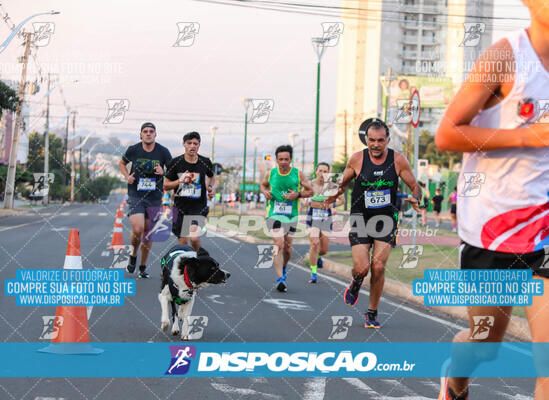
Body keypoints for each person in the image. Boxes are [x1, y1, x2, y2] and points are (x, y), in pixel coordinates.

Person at [435, 2, 549, 397]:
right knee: (485, 346)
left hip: (545, 231)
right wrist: (529, 135)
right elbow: (447, 134)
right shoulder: (506, 56)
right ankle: (457, 378)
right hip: (493, 228)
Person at [325, 118, 420, 328]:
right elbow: (343, 183)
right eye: (371, 140)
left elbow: (415, 186)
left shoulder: (398, 160)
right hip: (360, 217)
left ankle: (372, 311)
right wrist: (334, 194)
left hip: (386, 220)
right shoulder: (357, 159)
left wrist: (416, 198)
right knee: (362, 268)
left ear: (387, 140)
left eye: (380, 140)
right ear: (366, 139)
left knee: (378, 266)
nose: (376, 145)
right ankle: (356, 282)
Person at [118, 122, 172, 278]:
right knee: (138, 228)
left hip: (154, 197)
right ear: (140, 134)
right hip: (136, 194)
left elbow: (173, 172)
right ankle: (133, 255)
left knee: (148, 234)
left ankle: (142, 266)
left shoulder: (163, 151)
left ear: (155, 134)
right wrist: (127, 176)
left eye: (151, 131)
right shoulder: (134, 149)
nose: (148, 134)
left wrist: (164, 172)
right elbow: (122, 163)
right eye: (145, 131)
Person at [260, 145, 313, 292]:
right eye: (281, 159)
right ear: (276, 160)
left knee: (288, 249)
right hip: (273, 213)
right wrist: (265, 192)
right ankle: (280, 279)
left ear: (291, 160)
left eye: (286, 159)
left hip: (291, 215)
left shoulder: (298, 174)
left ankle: (283, 267)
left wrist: (298, 195)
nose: (283, 162)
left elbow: (310, 191)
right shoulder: (271, 173)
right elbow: (263, 186)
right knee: (279, 242)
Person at [164, 131, 215, 251]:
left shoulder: (205, 162)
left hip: (198, 207)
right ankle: (187, 267)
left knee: (194, 237)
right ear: (184, 144)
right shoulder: (175, 162)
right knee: (183, 242)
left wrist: (210, 188)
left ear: (199, 145)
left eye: (195, 143)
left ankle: (201, 260)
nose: (192, 146)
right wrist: (179, 181)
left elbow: (212, 177)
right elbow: (165, 186)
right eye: (189, 143)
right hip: (180, 207)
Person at [306, 162, 343, 283]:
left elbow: (342, 200)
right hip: (313, 217)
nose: (322, 174)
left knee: (323, 250)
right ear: (316, 172)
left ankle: (318, 258)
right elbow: (304, 200)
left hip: (326, 217)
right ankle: (313, 273)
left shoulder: (332, 186)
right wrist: (310, 203)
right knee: (315, 243)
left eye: (325, 171)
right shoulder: (310, 184)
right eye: (320, 171)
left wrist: (331, 205)